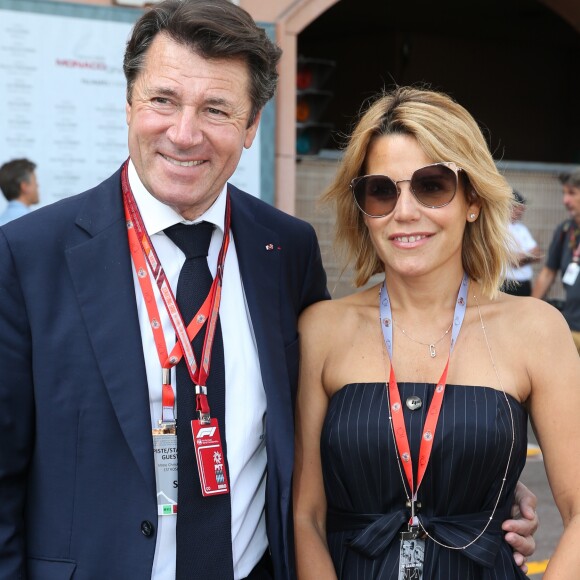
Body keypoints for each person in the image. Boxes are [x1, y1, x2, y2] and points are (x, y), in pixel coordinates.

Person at [0, 1, 329, 579]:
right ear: (129, 104)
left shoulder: (288, 250)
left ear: (252, 126)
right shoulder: (28, 257)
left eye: (217, 109)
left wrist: (483, 489)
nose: (184, 133)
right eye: (163, 100)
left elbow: (327, 424)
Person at [293, 87, 580, 579]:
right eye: (382, 190)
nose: (405, 211)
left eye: (432, 186)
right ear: (363, 209)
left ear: (472, 199)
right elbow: (306, 517)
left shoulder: (536, 329)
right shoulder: (321, 329)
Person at [532, 169, 580, 353]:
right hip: (572, 326)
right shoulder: (565, 230)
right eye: (564, 193)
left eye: (572, 193)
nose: (565, 201)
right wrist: (530, 310)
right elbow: (548, 273)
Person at [502, 190, 541, 296]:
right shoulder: (498, 229)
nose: (521, 212)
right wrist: (529, 255)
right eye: (518, 207)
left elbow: (538, 254)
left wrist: (522, 257)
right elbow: (512, 260)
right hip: (506, 284)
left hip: (524, 285)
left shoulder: (521, 229)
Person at [0, 158, 39, 226]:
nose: (37, 185)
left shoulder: (2, 222)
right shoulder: (35, 223)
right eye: (35, 181)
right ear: (24, 186)